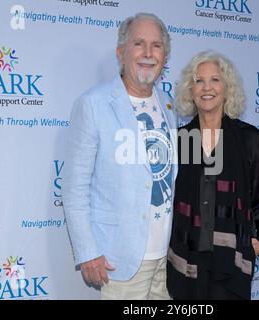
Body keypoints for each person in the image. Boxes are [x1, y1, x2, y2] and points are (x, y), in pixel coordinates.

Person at [62, 13, 177, 300]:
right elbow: (74, 187)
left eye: (157, 46)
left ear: (165, 56)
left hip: (166, 258)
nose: (149, 53)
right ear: (121, 52)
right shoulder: (93, 104)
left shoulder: (169, 105)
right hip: (121, 259)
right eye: (139, 44)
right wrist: (87, 251)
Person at [167, 51, 259, 300]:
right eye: (199, 80)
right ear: (190, 90)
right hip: (187, 260)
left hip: (231, 262)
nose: (207, 88)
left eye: (215, 80)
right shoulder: (178, 140)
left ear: (227, 88)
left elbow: (258, 197)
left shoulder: (249, 139)